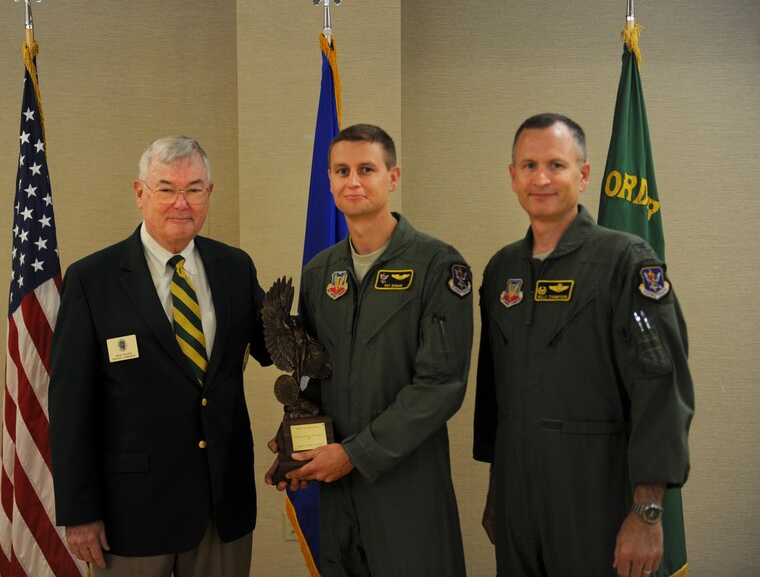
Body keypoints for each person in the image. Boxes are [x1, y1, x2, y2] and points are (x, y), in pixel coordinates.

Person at [473, 113, 695, 577]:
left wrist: (647, 513)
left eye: (556, 164)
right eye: (529, 165)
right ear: (512, 177)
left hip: (596, 495)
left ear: (584, 174)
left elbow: (660, 389)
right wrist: (499, 489)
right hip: (518, 498)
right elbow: (496, 392)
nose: (541, 178)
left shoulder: (625, 262)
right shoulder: (501, 271)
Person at [49, 136, 271, 575]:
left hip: (221, 506)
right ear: (140, 194)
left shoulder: (235, 268)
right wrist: (78, 512)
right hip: (130, 514)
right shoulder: (92, 280)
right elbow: (70, 406)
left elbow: (276, 346)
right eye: (166, 188)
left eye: (194, 188)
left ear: (210, 193)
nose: (181, 203)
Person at [267, 123, 473, 575]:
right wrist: (297, 444)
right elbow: (313, 371)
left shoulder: (438, 266)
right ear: (329, 180)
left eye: (367, 169)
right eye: (342, 170)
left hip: (405, 484)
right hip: (338, 490)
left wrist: (356, 454)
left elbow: (441, 386)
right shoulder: (321, 272)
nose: (353, 181)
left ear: (393, 177)